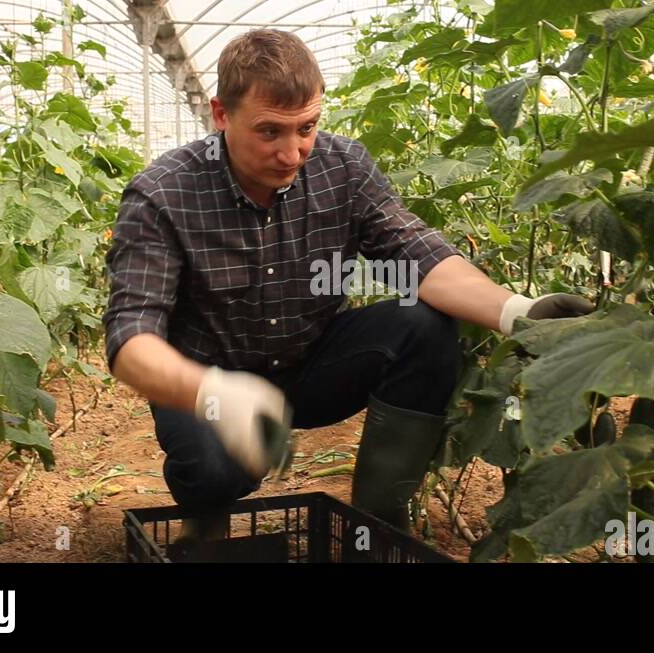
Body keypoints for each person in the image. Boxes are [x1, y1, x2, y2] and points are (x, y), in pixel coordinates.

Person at [102, 29, 592, 535]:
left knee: (423, 324)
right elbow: (131, 338)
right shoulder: (164, 193)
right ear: (221, 114)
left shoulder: (343, 167)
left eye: (307, 128)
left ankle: (376, 525)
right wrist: (216, 393)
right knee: (214, 467)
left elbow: (418, 255)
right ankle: (206, 517)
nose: (293, 153)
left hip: (310, 367)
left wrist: (519, 312)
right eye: (270, 132)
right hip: (206, 382)